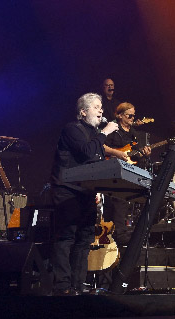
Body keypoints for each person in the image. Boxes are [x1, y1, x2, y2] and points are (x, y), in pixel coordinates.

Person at [49, 92, 130, 295]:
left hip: (85, 192)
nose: (101, 110)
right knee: (67, 237)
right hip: (67, 190)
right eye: (96, 107)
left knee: (84, 238)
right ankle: (62, 286)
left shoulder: (93, 135)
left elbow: (95, 163)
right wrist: (106, 131)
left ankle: (77, 285)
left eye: (101, 107)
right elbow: (88, 152)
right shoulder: (72, 129)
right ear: (83, 112)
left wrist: (98, 189)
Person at [103, 102, 151, 245]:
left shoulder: (134, 134)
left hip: (128, 170)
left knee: (128, 200)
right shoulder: (113, 129)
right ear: (119, 115)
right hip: (112, 169)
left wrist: (144, 154)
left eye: (133, 115)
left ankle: (128, 232)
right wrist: (116, 153)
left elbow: (135, 156)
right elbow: (101, 146)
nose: (132, 118)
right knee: (119, 201)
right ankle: (119, 234)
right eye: (129, 115)